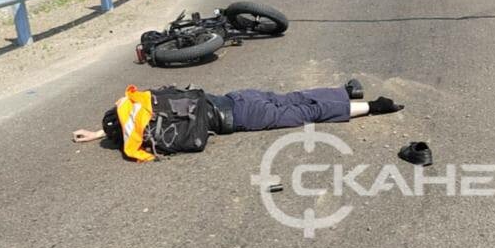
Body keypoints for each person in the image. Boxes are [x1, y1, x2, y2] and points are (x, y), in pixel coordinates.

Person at [72, 80, 403, 155]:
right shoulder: (145, 101)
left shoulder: (139, 136)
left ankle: (373, 106)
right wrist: (98, 131)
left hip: (242, 116)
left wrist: (104, 136)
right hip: (237, 96)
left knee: (306, 113)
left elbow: (134, 143)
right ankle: (346, 92)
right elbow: (126, 108)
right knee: (295, 98)